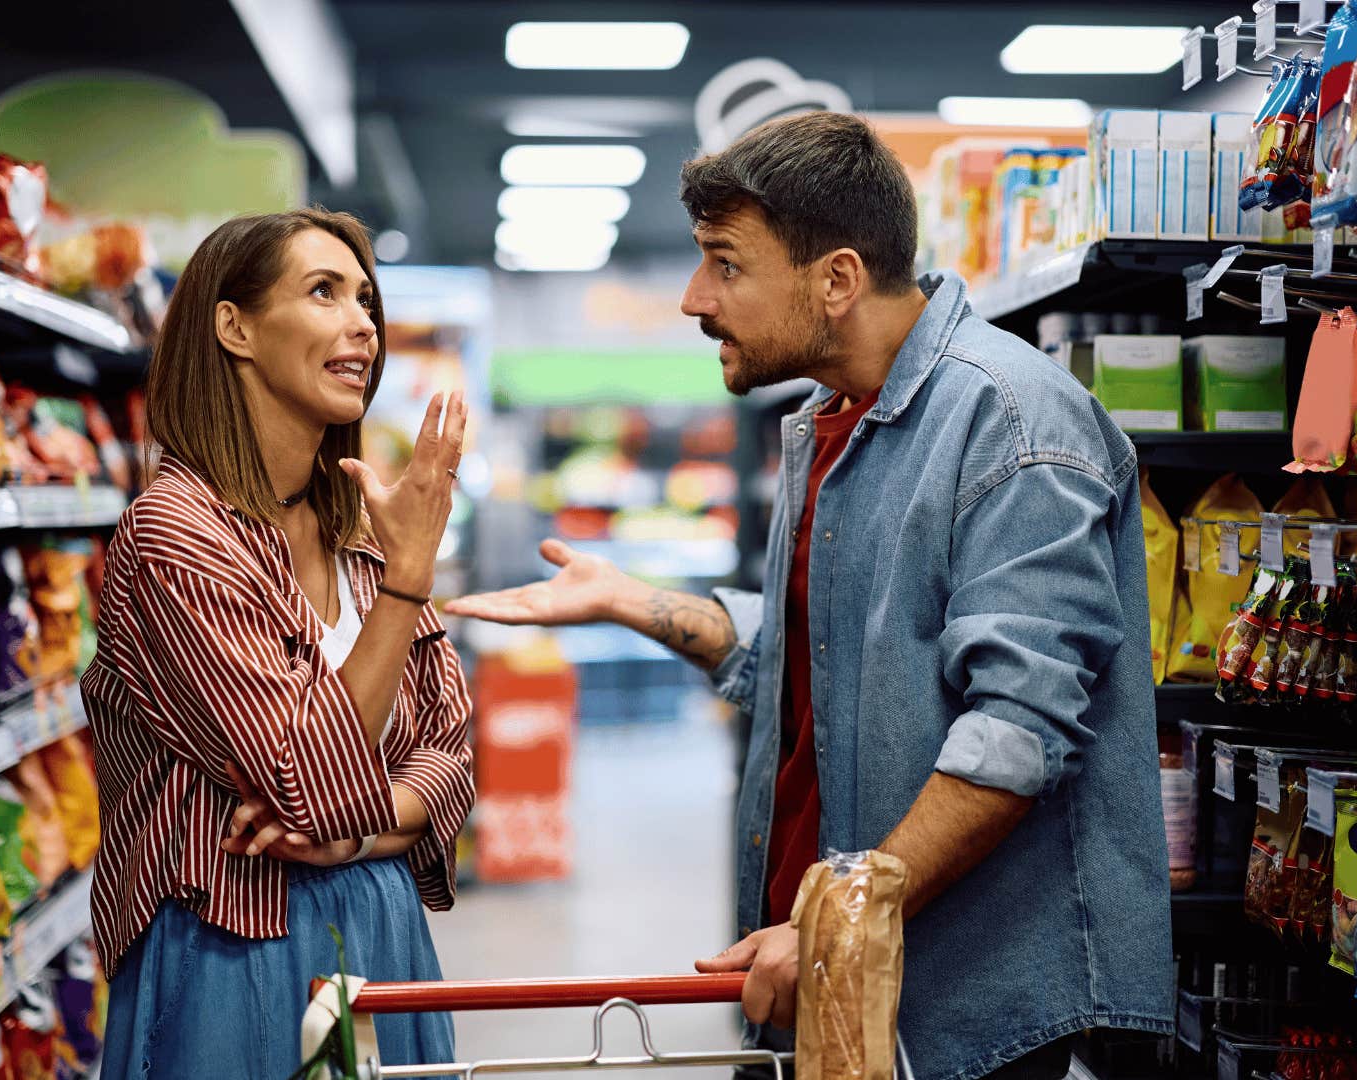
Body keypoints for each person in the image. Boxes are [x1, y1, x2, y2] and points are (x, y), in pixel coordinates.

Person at [446, 112, 1173, 1079]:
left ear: (836, 279)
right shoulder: (827, 424)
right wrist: (634, 601)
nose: (695, 298)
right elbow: (813, 656)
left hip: (968, 1007)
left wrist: (848, 910)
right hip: (833, 979)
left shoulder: (1012, 423)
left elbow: (1020, 729)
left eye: (726, 264)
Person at [82, 208, 473, 1079]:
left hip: (383, 928)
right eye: (324, 292)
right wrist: (410, 581)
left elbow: (452, 758)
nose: (362, 324)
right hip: (236, 950)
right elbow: (303, 782)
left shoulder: (362, 534)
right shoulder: (176, 536)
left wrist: (358, 838)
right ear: (235, 327)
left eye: (366, 299)